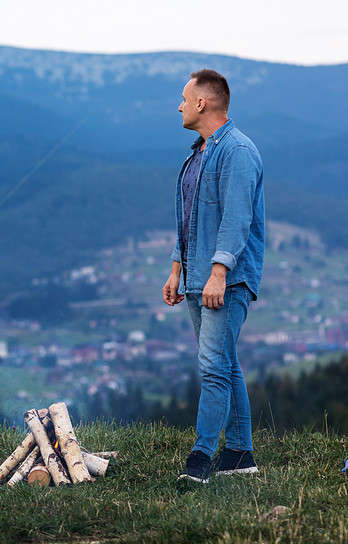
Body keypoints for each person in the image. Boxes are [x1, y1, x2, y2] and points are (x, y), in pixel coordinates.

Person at [163, 69, 265, 483]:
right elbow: (191, 220)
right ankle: (240, 454)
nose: (180, 105)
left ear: (202, 103)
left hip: (226, 278)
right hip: (196, 276)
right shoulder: (198, 153)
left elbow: (236, 220)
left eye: (184, 98)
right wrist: (176, 267)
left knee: (212, 367)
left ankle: (200, 459)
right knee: (224, 363)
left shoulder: (237, 151)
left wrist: (219, 273)